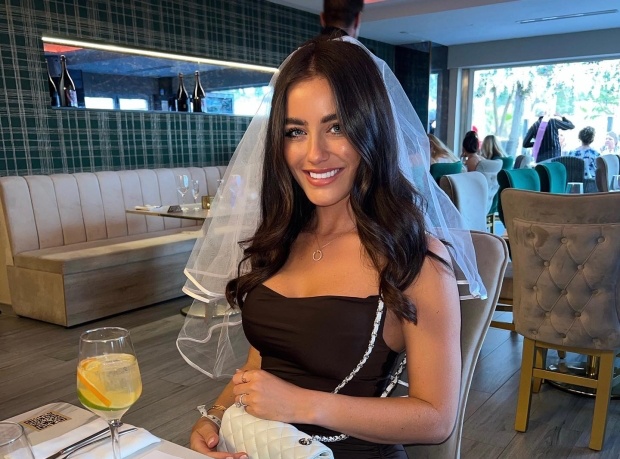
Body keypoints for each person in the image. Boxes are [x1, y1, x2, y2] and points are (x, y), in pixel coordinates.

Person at [177, 37, 484, 459]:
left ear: (372, 130)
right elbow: (259, 365)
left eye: (336, 127)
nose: (314, 154)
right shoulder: (278, 239)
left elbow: (436, 418)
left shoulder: (413, 257)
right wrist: (213, 417)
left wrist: (303, 405)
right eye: (296, 132)